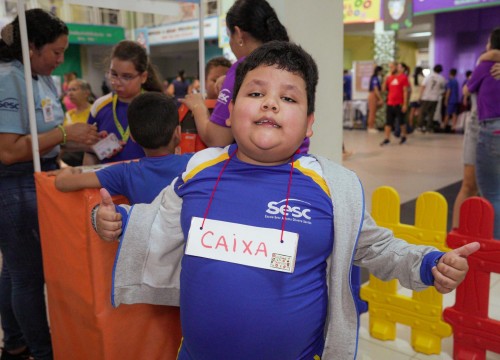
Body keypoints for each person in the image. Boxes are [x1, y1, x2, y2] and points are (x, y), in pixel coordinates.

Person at [94, 41, 479, 360]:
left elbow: (377, 247)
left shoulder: (331, 188)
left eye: (288, 98)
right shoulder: (199, 169)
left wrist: (427, 263)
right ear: (231, 110)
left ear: (310, 122)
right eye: (256, 93)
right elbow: (156, 220)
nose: (270, 104)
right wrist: (117, 221)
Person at [0, 9, 99, 360]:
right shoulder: (8, 79)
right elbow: (9, 151)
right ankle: (43, 351)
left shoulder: (41, 79)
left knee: (15, 270)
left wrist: (79, 140)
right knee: (29, 276)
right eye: (55, 52)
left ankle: (15, 341)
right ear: (31, 48)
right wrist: (62, 134)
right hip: (14, 184)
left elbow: (46, 137)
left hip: (41, 174)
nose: (60, 59)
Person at [179, 0, 303, 151]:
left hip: (258, 169)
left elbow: (218, 139)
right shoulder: (293, 62)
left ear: (238, 34)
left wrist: (198, 107)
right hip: (297, 162)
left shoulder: (243, 68)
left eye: (229, 36)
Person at [53, 92, 191, 204]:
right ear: (178, 133)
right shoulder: (194, 164)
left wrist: (71, 170)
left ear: (132, 136)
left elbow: (62, 183)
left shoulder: (125, 173)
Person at [83, 40, 163, 165]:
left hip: (147, 180)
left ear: (143, 77)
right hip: (109, 181)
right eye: (113, 74)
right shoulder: (99, 106)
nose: (117, 82)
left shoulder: (157, 106)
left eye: (126, 77)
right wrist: (99, 148)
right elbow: (89, 153)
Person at [463, 27, 500, 239]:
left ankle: (495, 246)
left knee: (493, 194)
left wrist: (484, 59)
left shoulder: (487, 64)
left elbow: (467, 89)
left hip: (492, 130)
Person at [59, 78, 94, 166]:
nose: (70, 93)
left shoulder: (95, 111)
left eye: (74, 89)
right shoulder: (68, 114)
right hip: (70, 161)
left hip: (90, 159)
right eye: (68, 90)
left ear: (86, 93)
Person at [380, 61, 409, 145]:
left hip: (399, 103)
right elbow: (383, 89)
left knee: (401, 122)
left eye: (392, 67)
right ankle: (387, 139)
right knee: (388, 122)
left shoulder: (403, 77)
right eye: (390, 67)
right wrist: (385, 79)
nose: (391, 69)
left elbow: (405, 91)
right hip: (390, 103)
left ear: (397, 67)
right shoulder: (389, 78)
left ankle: (404, 136)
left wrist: (405, 104)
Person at [418, 64, 446, 133]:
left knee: (422, 112)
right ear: (440, 71)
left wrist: (420, 96)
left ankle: (421, 126)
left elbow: (423, 86)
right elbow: (443, 88)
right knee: (431, 113)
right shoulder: (441, 78)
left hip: (426, 97)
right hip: (434, 98)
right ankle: (429, 127)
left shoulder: (428, 77)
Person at [367, 65, 383, 133]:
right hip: (373, 95)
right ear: (379, 71)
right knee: (372, 112)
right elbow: (375, 89)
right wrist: (380, 98)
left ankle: (372, 126)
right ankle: (370, 127)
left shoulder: (375, 78)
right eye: (381, 71)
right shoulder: (375, 78)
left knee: (374, 111)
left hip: (374, 95)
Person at [408, 66, 424, 131]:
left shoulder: (411, 78)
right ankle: (418, 126)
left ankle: (410, 126)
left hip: (412, 97)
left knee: (412, 112)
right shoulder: (422, 78)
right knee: (419, 112)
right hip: (420, 97)